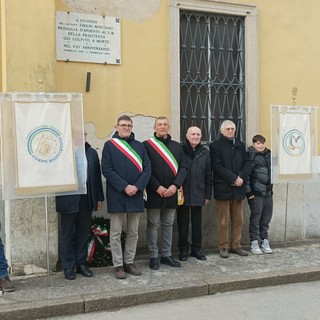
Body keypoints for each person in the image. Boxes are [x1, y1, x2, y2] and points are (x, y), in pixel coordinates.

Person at [102, 115, 151, 280]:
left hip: (136, 194)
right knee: (115, 232)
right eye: (123, 125)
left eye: (129, 125)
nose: (126, 127)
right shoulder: (109, 145)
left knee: (133, 232)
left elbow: (147, 169)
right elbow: (107, 169)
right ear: (116, 127)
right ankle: (117, 265)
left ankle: (129, 262)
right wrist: (125, 186)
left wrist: (136, 187)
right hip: (117, 194)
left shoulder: (139, 146)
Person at [56, 133, 104, 280]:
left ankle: (81, 263)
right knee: (67, 233)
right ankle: (69, 266)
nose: (80, 137)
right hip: (68, 197)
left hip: (86, 198)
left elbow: (96, 177)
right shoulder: (63, 151)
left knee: (83, 232)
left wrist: (99, 198)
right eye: (77, 134)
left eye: (83, 134)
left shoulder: (91, 153)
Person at [143, 116, 187, 270]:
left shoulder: (177, 146)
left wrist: (175, 186)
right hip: (154, 192)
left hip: (172, 191)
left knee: (168, 224)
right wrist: (157, 187)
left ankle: (166, 255)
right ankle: (153, 256)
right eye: (159, 125)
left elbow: (184, 168)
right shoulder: (147, 146)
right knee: (153, 224)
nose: (162, 127)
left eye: (165, 124)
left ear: (169, 127)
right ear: (154, 128)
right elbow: (145, 169)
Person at [209, 120, 251, 258]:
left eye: (233, 128)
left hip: (238, 189)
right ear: (222, 131)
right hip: (223, 188)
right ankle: (223, 246)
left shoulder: (240, 145)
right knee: (223, 220)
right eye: (228, 129)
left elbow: (247, 163)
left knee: (238, 220)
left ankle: (236, 245)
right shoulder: (215, 146)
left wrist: (241, 177)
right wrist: (233, 178)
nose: (231, 131)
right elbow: (217, 167)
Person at [177, 126, 212, 261]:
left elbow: (209, 175)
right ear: (187, 136)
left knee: (197, 223)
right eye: (193, 134)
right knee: (182, 222)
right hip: (183, 191)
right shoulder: (180, 149)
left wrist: (208, 195)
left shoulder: (205, 152)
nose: (196, 137)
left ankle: (196, 249)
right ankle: (183, 250)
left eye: (198, 134)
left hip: (199, 191)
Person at [246, 134, 273, 254]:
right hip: (256, 193)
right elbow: (246, 176)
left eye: (262, 143)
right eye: (258, 143)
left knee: (266, 218)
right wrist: (249, 192)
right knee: (255, 218)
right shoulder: (250, 156)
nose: (261, 145)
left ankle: (265, 240)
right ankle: (254, 242)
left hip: (268, 193)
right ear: (253, 144)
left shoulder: (269, 155)